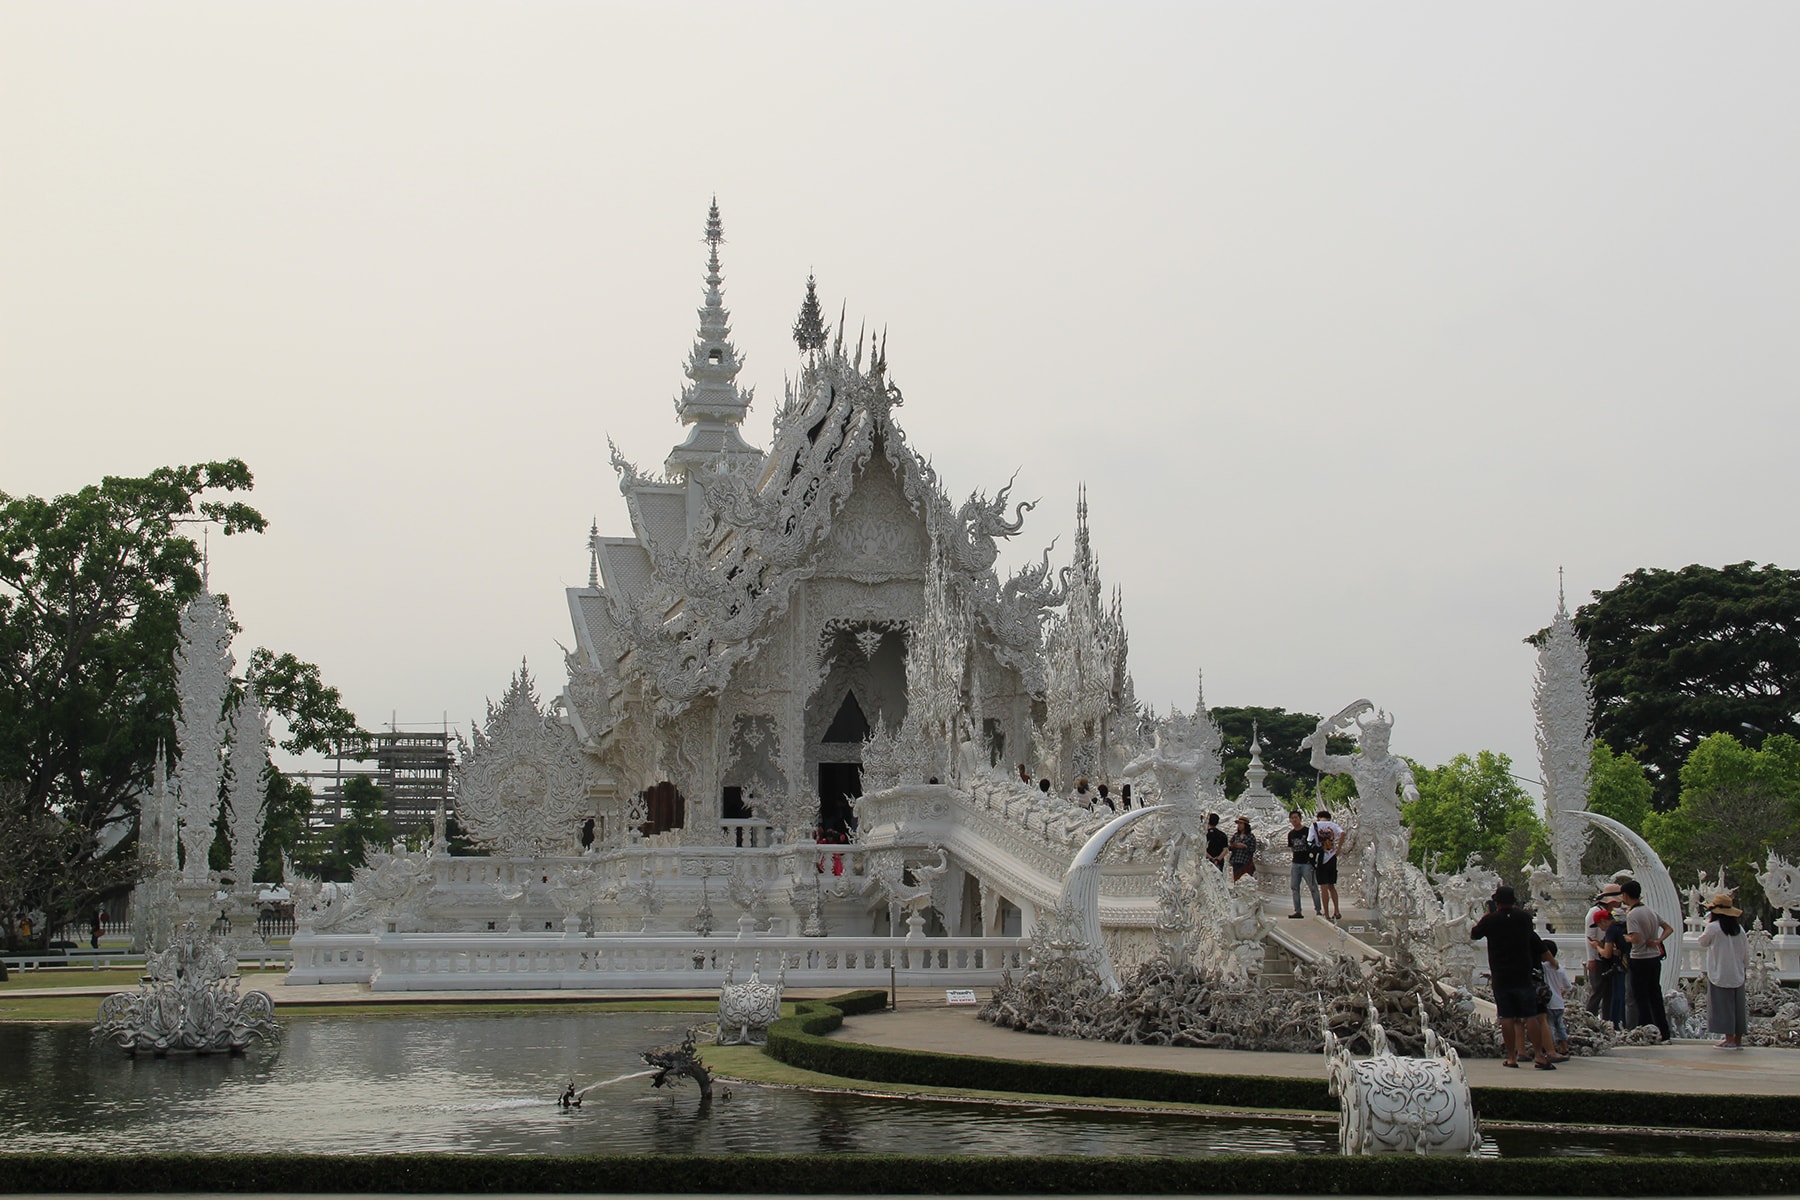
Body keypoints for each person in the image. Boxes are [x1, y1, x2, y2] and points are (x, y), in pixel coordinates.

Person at [1470, 885, 1557, 1069]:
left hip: (1501, 974)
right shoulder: (1524, 918)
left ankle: (1512, 1057)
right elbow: (1530, 935)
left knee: (1507, 1017)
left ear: (1496, 902)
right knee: (1531, 1016)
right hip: (1523, 973)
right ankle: (1539, 1056)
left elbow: (1474, 934)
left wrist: (1486, 917)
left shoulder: (1490, 920)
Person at [1619, 878, 1673, 1042]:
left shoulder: (1633, 914)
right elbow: (1668, 928)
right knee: (1655, 995)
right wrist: (1657, 941)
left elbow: (1636, 938)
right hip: (1654, 957)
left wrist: (1626, 938)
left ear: (1626, 895)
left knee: (1640, 997)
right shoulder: (1650, 911)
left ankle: (1647, 1030)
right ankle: (1663, 1031)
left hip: (1639, 958)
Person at [1696, 891, 1749, 1050]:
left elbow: (1703, 942)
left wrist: (1706, 924)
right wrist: (1744, 967)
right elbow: (1746, 952)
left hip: (1720, 971)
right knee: (1737, 1007)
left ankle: (1729, 1039)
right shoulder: (1739, 929)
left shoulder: (1713, 927)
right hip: (1737, 971)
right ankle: (1738, 1039)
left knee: (1722, 1006)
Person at [1285, 810, 1320, 918]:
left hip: (1307, 863)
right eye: (1292, 818)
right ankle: (1298, 911)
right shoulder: (1291, 834)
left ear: (1300, 818)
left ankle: (1318, 910)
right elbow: (1292, 848)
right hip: (1296, 863)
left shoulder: (1308, 831)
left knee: (1313, 887)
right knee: (1294, 887)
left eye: (1296, 817)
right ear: (1290, 820)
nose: (1294, 820)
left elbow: (1313, 845)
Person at [1541, 940, 1572, 1056]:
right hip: (1559, 1003)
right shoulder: (1560, 968)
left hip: (1549, 1003)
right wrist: (1561, 992)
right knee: (1560, 1026)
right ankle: (1564, 1047)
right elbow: (1568, 986)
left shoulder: (1543, 968)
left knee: (1550, 1027)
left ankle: (1551, 1048)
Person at [1313, 809, 1345, 919]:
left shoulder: (1315, 825)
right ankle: (1336, 910)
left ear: (1318, 817)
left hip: (1321, 858)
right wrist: (1339, 848)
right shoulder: (1333, 825)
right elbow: (1342, 833)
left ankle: (1326, 914)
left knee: (1323, 887)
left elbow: (1309, 840)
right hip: (1332, 857)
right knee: (1332, 886)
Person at [1227, 816, 1257, 882]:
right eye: (1238, 824)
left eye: (1241, 824)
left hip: (1245, 861)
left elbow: (1252, 849)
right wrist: (1234, 846)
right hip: (1236, 860)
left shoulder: (1251, 836)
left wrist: (1244, 846)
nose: (1239, 825)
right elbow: (1230, 846)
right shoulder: (1236, 835)